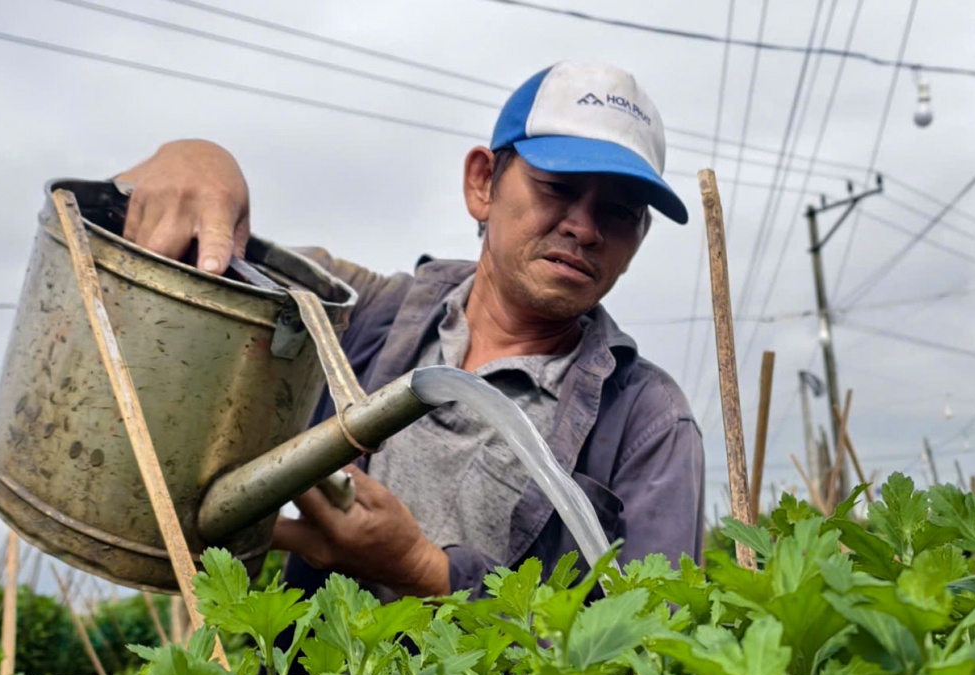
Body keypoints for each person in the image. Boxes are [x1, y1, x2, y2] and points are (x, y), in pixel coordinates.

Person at [115, 62, 705, 598]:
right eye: (558, 188)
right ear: (482, 183)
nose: (584, 227)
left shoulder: (650, 424)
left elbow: (651, 658)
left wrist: (421, 569)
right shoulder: (364, 316)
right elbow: (211, 267)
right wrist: (199, 160)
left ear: (639, 239)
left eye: (620, 211)